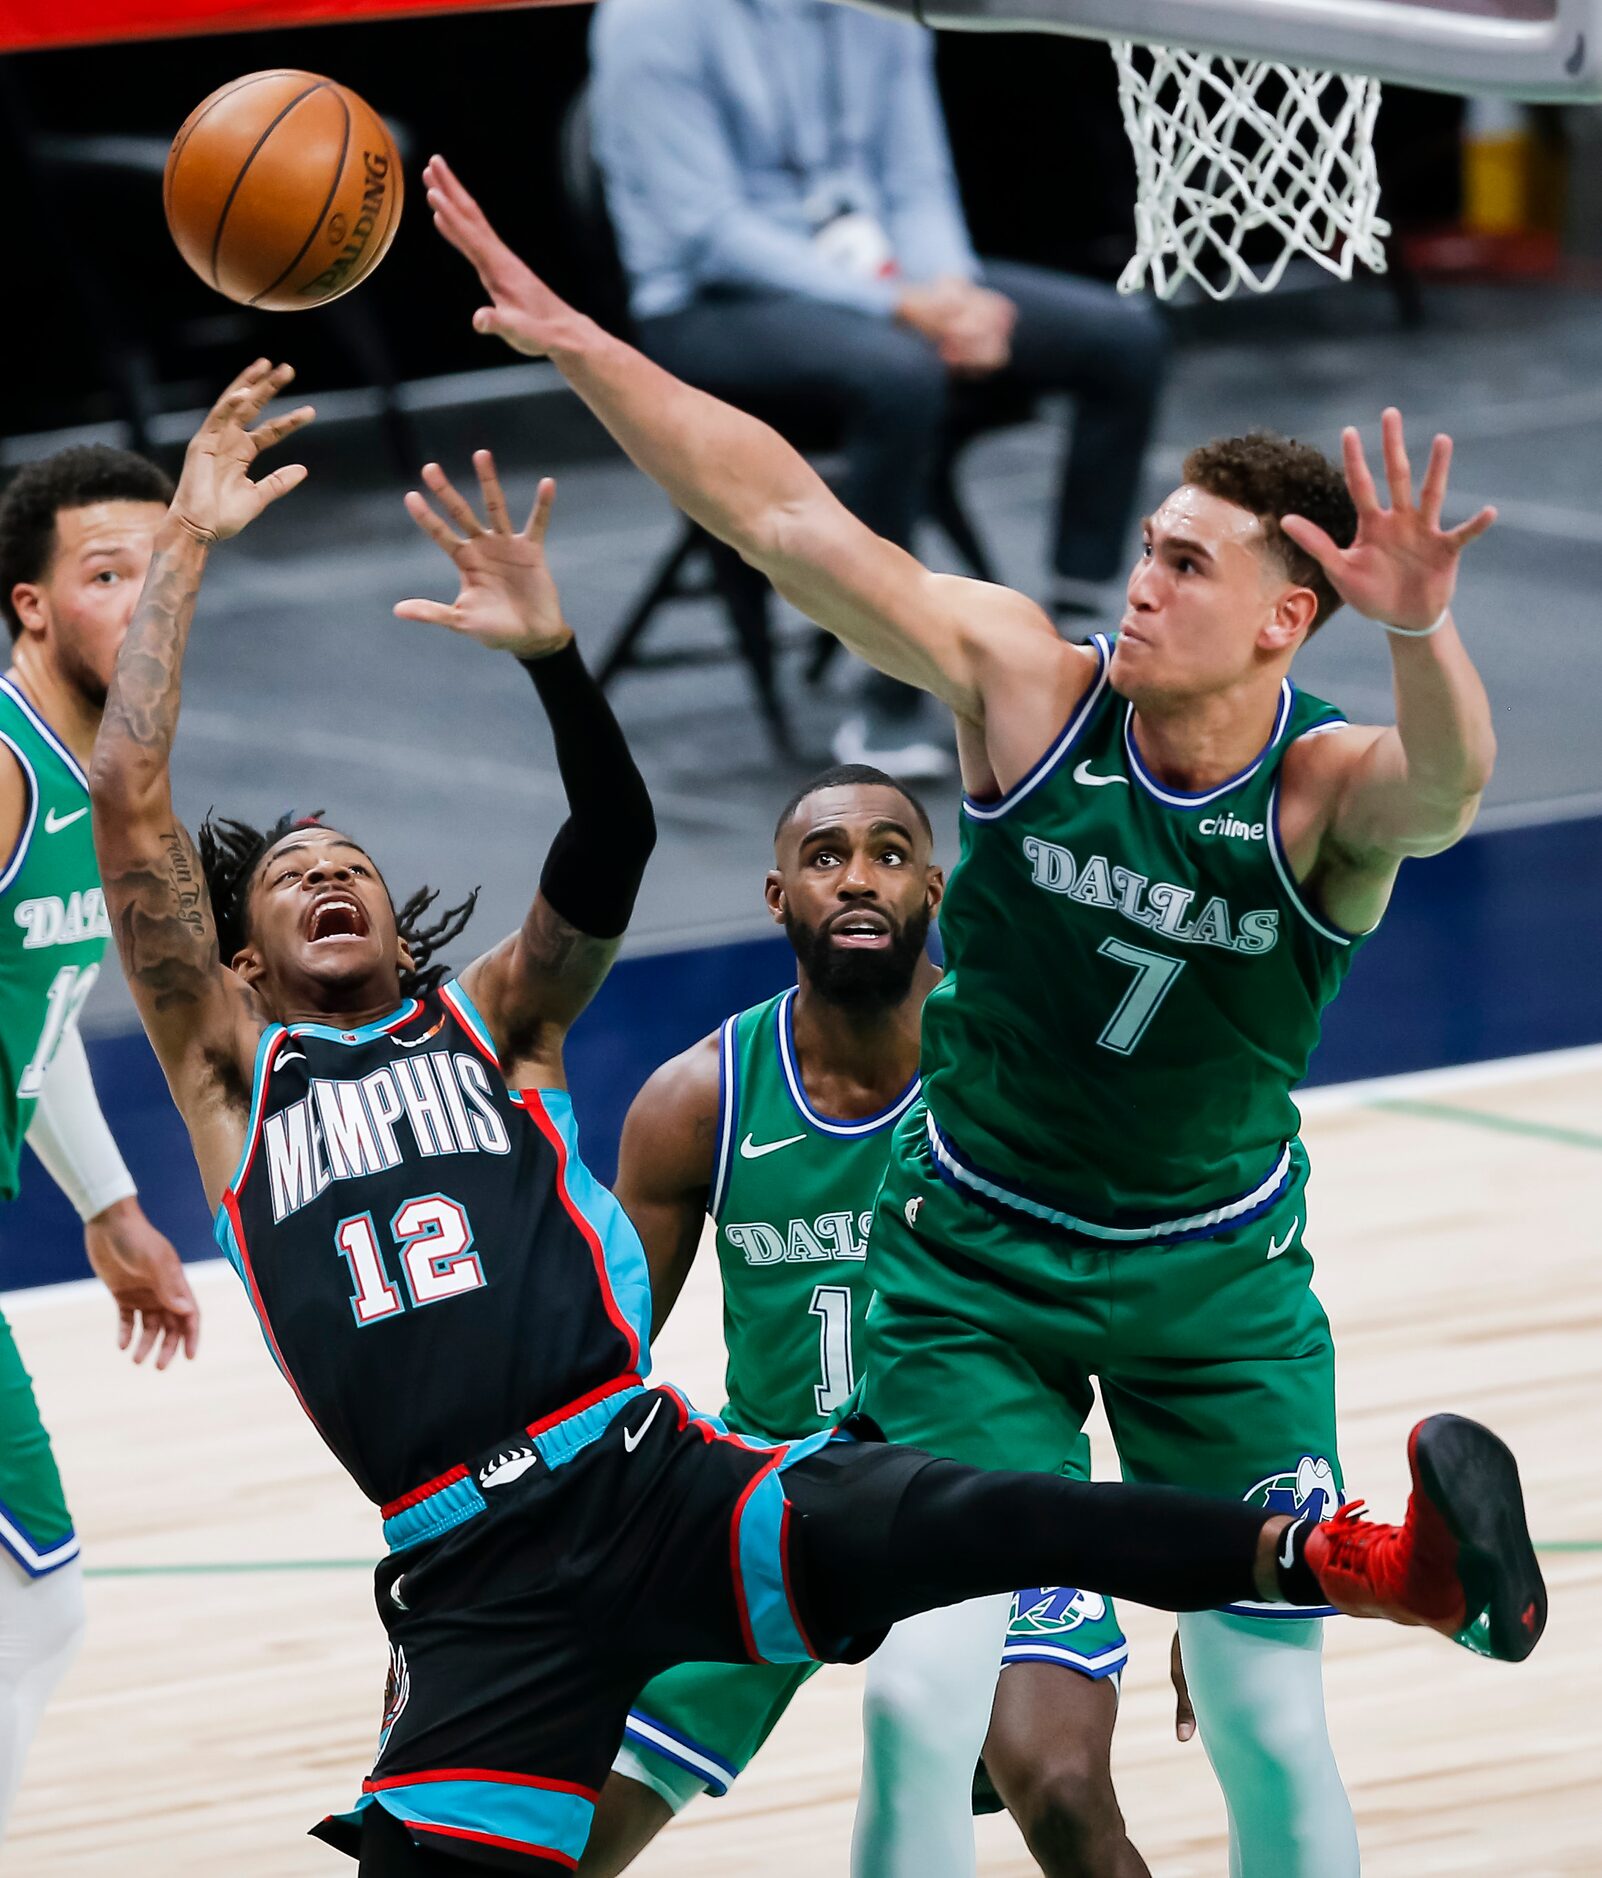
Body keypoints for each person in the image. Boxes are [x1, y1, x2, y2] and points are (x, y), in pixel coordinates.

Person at [92, 361, 1539, 1877]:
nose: (329, 873)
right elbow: (131, 786)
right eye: (287, 873)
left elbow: (612, 836)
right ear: (239, 958)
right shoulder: (232, 1083)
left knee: (993, 1538)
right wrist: (184, 538)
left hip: (652, 1475)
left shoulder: (498, 1021)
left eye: (352, 862)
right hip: (470, 1561)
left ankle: (1367, 1560)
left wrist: (554, 658)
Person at [420, 154, 1544, 1878]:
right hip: (973, 1268)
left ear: (1282, 612)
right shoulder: (1030, 689)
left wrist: (1427, 634)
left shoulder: (1318, 792)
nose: (1138, 577)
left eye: (1182, 560)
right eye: (1147, 546)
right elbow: (785, 514)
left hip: (1213, 1285)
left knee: (1264, 1720)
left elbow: (1450, 784)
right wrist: (579, 340)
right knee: (917, 1695)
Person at [581, 765, 1144, 1878]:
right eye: (826, 857)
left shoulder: (1007, 1073)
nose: (858, 878)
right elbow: (605, 1354)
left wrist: (1213, 1566)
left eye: (889, 854)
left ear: (935, 888)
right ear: (777, 893)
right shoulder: (698, 1099)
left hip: (991, 1485)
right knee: (561, 1832)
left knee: (1069, 1798)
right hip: (784, 1499)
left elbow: (1137, 1320)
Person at [588, 0, 1169, 779]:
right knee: (898, 374)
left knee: (1121, 339)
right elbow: (708, 230)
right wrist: (900, 307)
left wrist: (953, 295)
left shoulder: (883, 9)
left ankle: (1079, 637)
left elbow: (914, 180)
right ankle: (891, 693)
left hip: (885, 276)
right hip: (710, 304)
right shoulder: (650, 20)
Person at [0, 447, 201, 1837]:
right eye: (104, 574)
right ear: (30, 605)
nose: (136, 601)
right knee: (37, 1597)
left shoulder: (92, 776)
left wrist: (110, 1200)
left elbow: (41, 1003)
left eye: (158, 570)